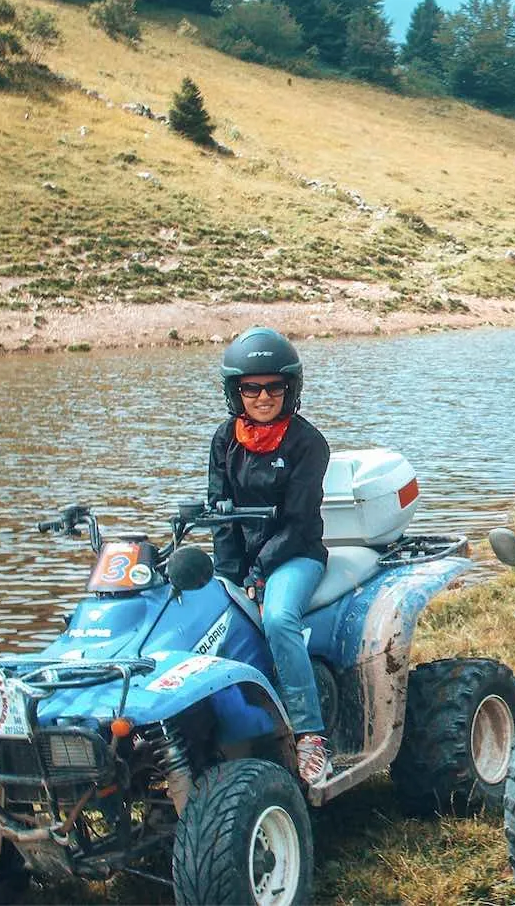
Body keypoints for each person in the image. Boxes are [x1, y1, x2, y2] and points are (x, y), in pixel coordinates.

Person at [208, 326, 333, 786]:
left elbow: (300, 522)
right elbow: (220, 517)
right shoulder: (225, 440)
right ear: (235, 391)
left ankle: (310, 735)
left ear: (289, 388)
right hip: (243, 563)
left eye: (273, 387)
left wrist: (260, 575)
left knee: (278, 618)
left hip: (298, 556)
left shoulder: (307, 443)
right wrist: (227, 576)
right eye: (251, 388)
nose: (263, 397)